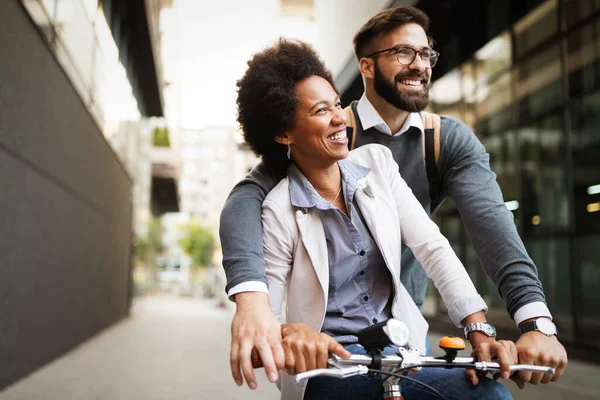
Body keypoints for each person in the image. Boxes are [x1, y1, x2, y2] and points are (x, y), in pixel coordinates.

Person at [221, 5, 567, 393]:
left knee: (486, 391)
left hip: (405, 339)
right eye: (403, 52)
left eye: (426, 53)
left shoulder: (394, 157)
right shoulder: (291, 185)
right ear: (366, 67)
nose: (419, 64)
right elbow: (245, 200)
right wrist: (272, 321)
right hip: (331, 360)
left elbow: (446, 243)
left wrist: (488, 328)